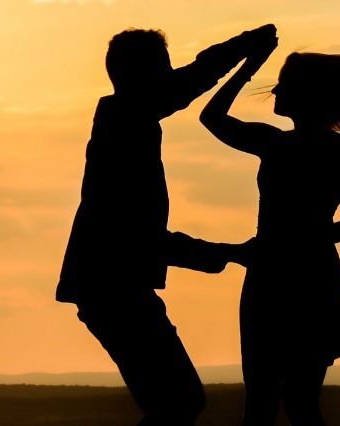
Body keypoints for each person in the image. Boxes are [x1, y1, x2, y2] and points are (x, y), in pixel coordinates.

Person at [57, 24, 278, 426]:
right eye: (163, 70)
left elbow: (187, 81)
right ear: (140, 75)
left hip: (113, 286)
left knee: (175, 403)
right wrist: (226, 253)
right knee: (178, 402)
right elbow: (137, 238)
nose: (171, 79)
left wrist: (244, 50)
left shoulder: (126, 122)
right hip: (112, 287)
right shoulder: (124, 123)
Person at [200, 35, 340, 425]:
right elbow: (210, 119)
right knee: (285, 401)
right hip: (295, 272)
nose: (275, 90)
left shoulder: (299, 146)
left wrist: (285, 245)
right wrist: (248, 67)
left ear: (307, 94)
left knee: (281, 401)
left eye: (283, 84)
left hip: (288, 274)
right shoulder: (304, 146)